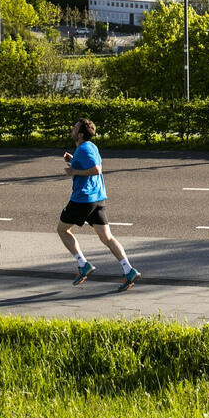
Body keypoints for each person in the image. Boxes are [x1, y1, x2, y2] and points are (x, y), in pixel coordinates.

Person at [56, 118, 140, 291]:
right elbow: (92, 164)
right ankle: (128, 270)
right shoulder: (90, 147)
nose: (72, 129)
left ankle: (83, 264)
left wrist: (74, 171)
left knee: (62, 230)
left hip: (82, 200)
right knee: (106, 237)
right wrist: (73, 160)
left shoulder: (84, 148)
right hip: (98, 198)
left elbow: (96, 169)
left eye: (75, 127)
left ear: (80, 134)